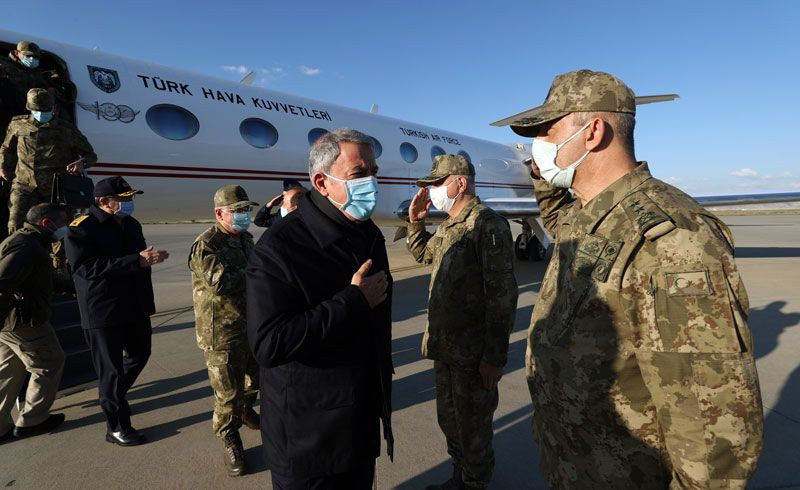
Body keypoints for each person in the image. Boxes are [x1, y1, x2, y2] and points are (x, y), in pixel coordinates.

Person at [492, 69, 764, 488]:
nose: (538, 146)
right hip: (580, 469)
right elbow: (558, 221)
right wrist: (542, 180)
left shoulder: (671, 237)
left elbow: (711, 425)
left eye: (548, 131)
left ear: (593, 131)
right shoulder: (592, 214)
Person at [247, 128, 393, 489]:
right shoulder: (280, 247)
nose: (371, 183)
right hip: (309, 440)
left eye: (374, 172)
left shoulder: (366, 232)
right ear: (321, 182)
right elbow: (269, 343)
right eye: (359, 174)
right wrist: (352, 302)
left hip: (357, 422)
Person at [406, 154, 518, 490]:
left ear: (460, 182)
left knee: (474, 431)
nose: (432, 191)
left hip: (473, 356)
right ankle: (460, 477)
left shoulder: (487, 225)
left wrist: (494, 358)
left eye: (437, 183)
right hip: (447, 350)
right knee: (450, 423)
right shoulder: (449, 225)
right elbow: (426, 255)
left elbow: (502, 297)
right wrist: (416, 223)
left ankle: (474, 484)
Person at [64, 176, 169, 446]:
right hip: (103, 310)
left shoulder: (131, 224)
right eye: (123, 200)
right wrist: (136, 260)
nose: (129, 203)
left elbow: (137, 260)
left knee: (139, 354)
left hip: (134, 305)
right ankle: (117, 426)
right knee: (111, 371)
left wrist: (148, 259)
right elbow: (85, 268)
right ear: (103, 202)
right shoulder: (82, 228)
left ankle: (110, 396)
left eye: (130, 198)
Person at [188, 184, 261, 477]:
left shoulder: (246, 240)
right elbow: (220, 283)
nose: (244, 215)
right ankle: (229, 436)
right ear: (220, 213)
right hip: (222, 332)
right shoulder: (207, 245)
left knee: (256, 378)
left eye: (246, 210)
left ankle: (244, 411)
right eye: (238, 211)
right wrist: (258, 272)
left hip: (250, 325)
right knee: (228, 394)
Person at [0, 203, 69, 444]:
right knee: (49, 363)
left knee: (10, 370)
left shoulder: (30, 241)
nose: (65, 227)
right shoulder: (26, 246)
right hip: (24, 322)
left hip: (11, 324)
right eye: (62, 222)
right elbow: (3, 283)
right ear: (46, 223)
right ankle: (32, 420)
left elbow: (44, 279)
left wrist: (74, 287)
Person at [0, 88, 96, 235]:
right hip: (24, 185)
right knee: (15, 226)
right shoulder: (18, 124)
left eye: (46, 110)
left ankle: (58, 258)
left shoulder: (66, 129)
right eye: (37, 110)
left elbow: (90, 155)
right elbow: (7, 148)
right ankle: (19, 256)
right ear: (30, 109)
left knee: (60, 231)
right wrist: (3, 167)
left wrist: (81, 164)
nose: (41, 113)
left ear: (53, 108)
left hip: (55, 190)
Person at [0, 41, 76, 129]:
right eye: (28, 55)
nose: (32, 59)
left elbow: (68, 96)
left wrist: (52, 91)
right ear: (17, 53)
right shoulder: (4, 65)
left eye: (35, 57)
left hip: (28, 119)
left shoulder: (40, 74)